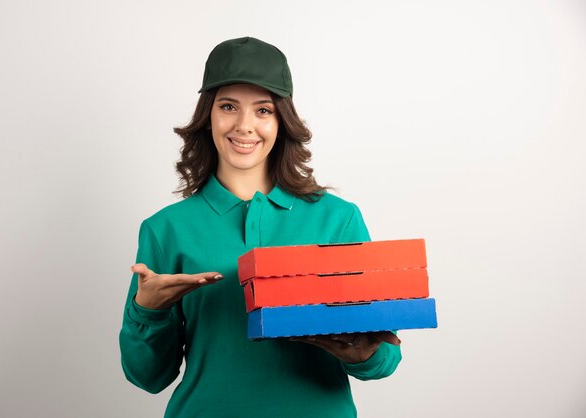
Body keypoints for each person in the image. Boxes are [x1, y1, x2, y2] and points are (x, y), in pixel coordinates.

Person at [119, 36, 402, 418]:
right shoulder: (165, 229)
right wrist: (148, 311)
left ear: (282, 121)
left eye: (263, 110)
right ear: (209, 117)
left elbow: (384, 360)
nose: (244, 126)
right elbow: (147, 377)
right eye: (229, 106)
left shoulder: (338, 219)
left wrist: (362, 353)